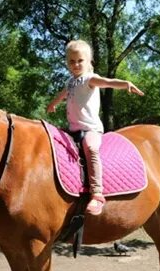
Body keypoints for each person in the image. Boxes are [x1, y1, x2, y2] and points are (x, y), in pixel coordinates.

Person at [47, 39, 144, 215]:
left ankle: (97, 194)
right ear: (67, 62)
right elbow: (62, 95)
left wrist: (125, 84)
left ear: (89, 61)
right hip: (73, 129)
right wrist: (52, 104)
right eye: (71, 61)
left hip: (90, 129)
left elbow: (107, 82)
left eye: (80, 60)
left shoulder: (90, 79)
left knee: (91, 148)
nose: (76, 64)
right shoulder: (70, 82)